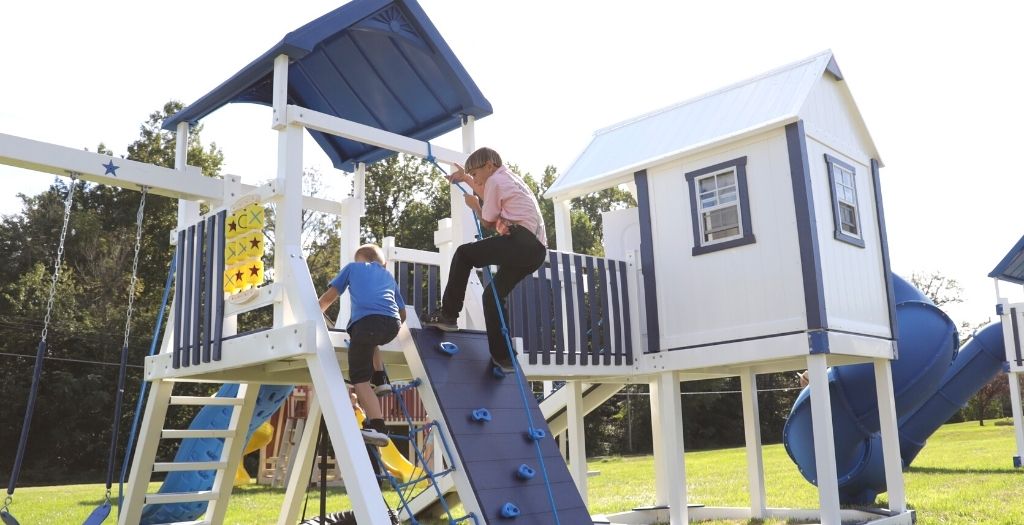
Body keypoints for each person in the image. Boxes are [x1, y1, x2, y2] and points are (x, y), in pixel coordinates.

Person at [423, 147, 548, 373]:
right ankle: (504, 357)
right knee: (492, 296)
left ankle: (449, 315)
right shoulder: (509, 178)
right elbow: (491, 193)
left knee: (463, 254)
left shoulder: (494, 182)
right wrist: (467, 179)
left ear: (489, 165)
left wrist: (475, 206)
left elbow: (489, 220)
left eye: (476, 173)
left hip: (521, 241)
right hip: (536, 252)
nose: (475, 178)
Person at [319, 244, 407, 446]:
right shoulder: (388, 277)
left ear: (360, 258)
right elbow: (403, 314)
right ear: (382, 263)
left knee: (359, 379)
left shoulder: (353, 268)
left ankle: (378, 426)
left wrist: (314, 314)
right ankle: (381, 376)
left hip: (367, 325)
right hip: (391, 325)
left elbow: (328, 298)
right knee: (371, 340)